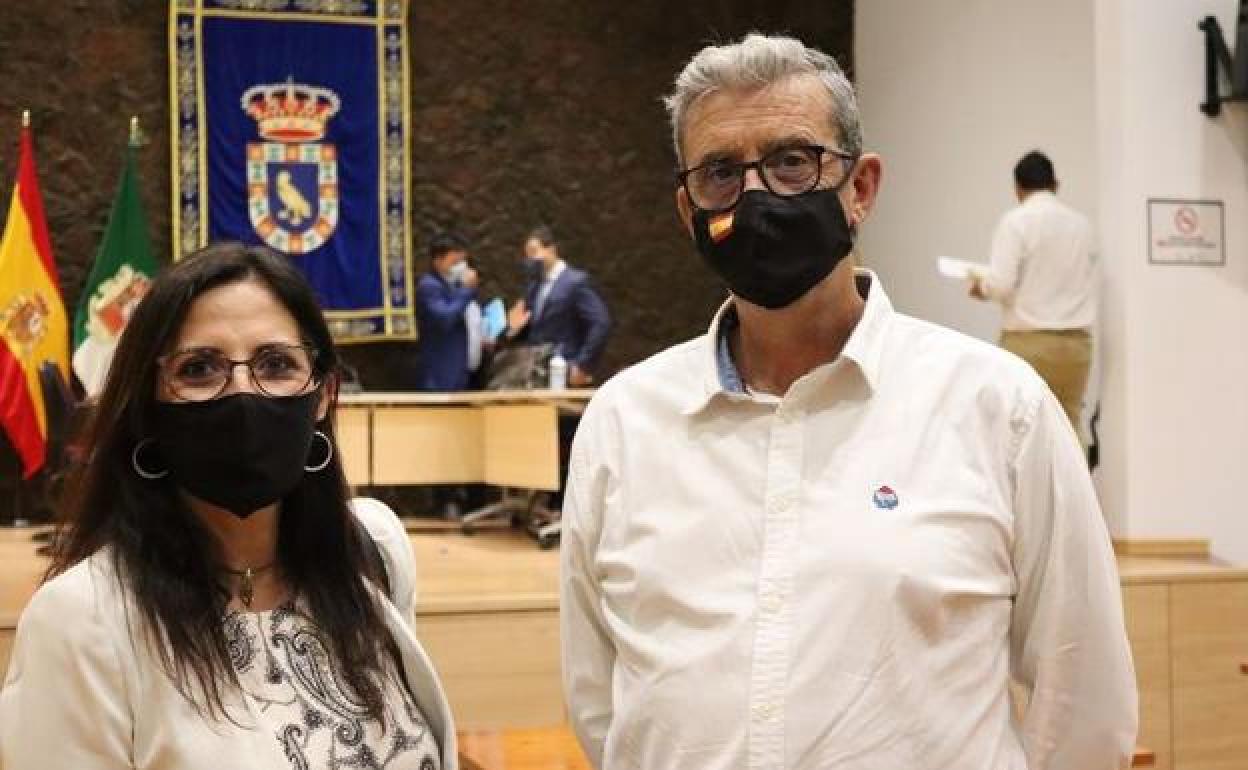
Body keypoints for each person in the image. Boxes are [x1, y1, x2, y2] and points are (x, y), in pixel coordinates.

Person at [560, 34, 1136, 770]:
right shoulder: (623, 423)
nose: (757, 195)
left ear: (860, 188)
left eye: (793, 161)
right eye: (721, 172)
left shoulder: (999, 409)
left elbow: (1085, 703)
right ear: (687, 209)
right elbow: (603, 705)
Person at [0, 242, 457, 769]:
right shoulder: (81, 622)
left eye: (276, 364)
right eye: (199, 369)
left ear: (322, 393)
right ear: (148, 403)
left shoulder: (372, 551)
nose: (243, 394)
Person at [969, 150, 1097, 436]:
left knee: (1019, 432)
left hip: (1028, 343)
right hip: (1076, 346)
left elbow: (1001, 284)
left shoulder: (1016, 221)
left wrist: (981, 287)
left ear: (1018, 189)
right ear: (1056, 184)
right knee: (1069, 429)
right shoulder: (1082, 225)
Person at [506, 225, 611, 386]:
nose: (531, 259)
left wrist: (583, 364)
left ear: (551, 249)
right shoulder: (534, 287)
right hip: (535, 370)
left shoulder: (575, 282)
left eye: (534, 252)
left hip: (564, 366)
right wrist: (514, 329)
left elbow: (600, 322)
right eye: (528, 255)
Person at [414, 231, 481, 392]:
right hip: (441, 377)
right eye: (455, 262)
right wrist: (466, 290)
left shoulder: (455, 285)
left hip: (462, 374)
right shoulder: (429, 286)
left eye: (463, 261)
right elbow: (445, 319)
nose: (460, 266)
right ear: (438, 260)